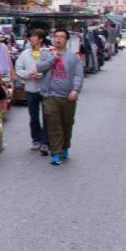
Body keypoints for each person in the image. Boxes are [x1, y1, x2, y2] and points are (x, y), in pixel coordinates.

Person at [36, 27, 84, 166]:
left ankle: (65, 147)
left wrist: (75, 89)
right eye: (56, 36)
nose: (58, 39)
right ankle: (56, 153)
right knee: (54, 124)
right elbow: (39, 67)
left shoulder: (73, 57)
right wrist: (53, 59)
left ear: (66, 40)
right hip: (50, 95)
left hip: (68, 97)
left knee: (67, 124)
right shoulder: (47, 54)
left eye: (61, 36)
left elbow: (78, 74)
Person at [15, 29, 49, 155]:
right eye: (30, 36)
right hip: (30, 89)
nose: (31, 38)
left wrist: (43, 75)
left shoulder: (48, 53)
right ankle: (36, 140)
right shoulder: (25, 54)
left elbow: (52, 69)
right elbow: (18, 69)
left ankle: (45, 142)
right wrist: (29, 74)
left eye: (34, 36)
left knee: (47, 117)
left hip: (45, 89)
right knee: (33, 117)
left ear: (40, 39)